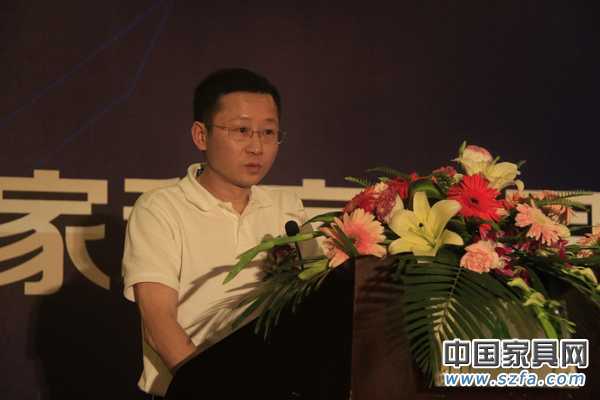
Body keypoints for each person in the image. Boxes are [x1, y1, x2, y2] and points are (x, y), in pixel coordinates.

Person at [121, 68, 310, 398]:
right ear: (201, 135)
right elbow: (158, 322)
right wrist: (210, 389)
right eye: (241, 131)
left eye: (268, 132)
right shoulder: (160, 209)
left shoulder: (287, 209)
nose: (256, 147)